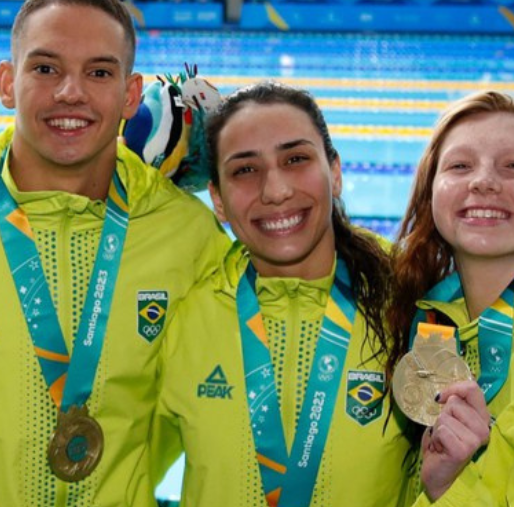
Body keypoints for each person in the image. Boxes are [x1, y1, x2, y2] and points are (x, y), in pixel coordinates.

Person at [0, 0, 228, 506]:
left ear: (131, 95)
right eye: (46, 68)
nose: (71, 92)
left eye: (99, 72)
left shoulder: (190, 237)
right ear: (7, 83)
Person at [152, 81, 412, 506]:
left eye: (295, 159)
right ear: (217, 199)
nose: (276, 191)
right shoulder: (185, 315)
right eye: (245, 170)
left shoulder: (410, 301)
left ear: (337, 172)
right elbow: (124, 470)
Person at [387, 91, 514, 505]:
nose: (482, 181)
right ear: (433, 197)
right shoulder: (432, 320)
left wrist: (449, 488)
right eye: (460, 166)